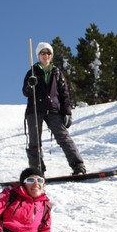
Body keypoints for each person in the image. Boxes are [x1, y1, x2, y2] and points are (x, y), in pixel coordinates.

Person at [23, 42, 85, 175]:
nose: (46, 55)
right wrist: (30, 84)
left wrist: (67, 112)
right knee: (34, 141)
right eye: (43, 53)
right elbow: (25, 92)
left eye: (48, 53)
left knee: (63, 137)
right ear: (38, 56)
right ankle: (37, 171)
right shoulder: (32, 72)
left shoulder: (57, 72)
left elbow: (64, 94)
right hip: (35, 110)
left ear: (51, 56)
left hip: (53, 110)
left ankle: (78, 165)